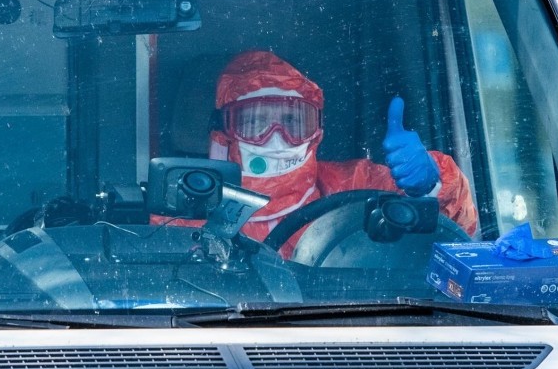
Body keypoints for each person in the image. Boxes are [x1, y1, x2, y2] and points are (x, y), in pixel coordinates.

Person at [201, 50, 478, 257]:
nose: (276, 136)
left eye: (292, 122)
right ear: (225, 129)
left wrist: (434, 186)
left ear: (316, 129)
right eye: (256, 122)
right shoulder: (193, 202)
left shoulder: (354, 184)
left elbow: (458, 235)